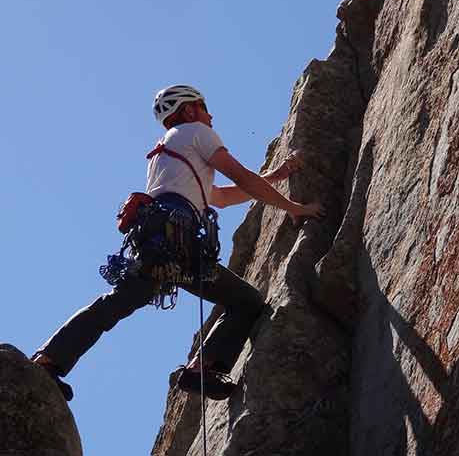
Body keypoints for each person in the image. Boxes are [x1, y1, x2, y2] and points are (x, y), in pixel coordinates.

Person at [32, 84, 325, 401]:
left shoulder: (171, 150)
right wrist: (296, 209)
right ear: (189, 110)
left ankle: (50, 360)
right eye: (204, 107)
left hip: (161, 247)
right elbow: (240, 177)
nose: (210, 115)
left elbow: (221, 198)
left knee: (116, 304)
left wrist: (277, 175)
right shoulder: (196, 131)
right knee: (246, 302)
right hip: (179, 246)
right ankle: (203, 367)